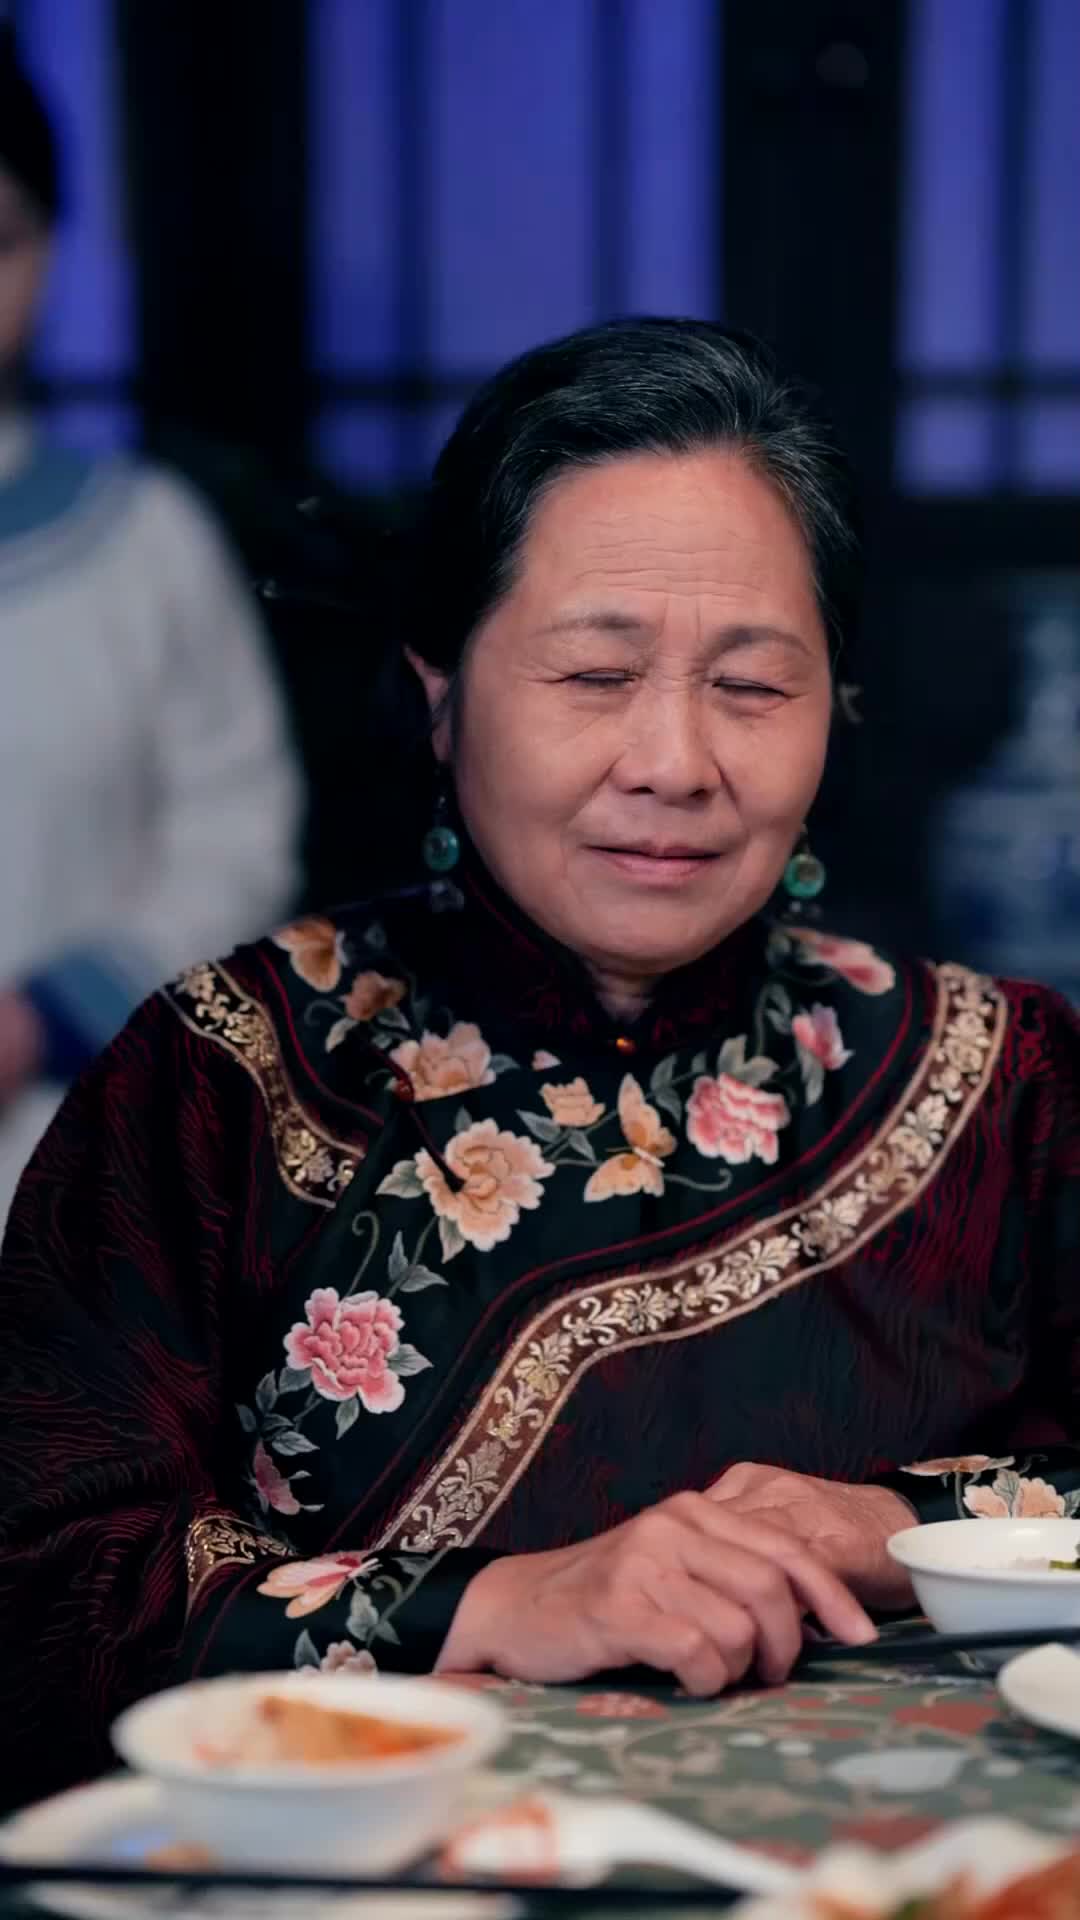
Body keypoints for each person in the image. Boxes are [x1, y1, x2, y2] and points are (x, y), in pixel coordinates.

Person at [3, 316, 1079, 1810]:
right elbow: (42, 1590)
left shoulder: (1004, 1083)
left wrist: (893, 1533)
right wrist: (504, 1605)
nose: (675, 765)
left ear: (835, 709)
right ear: (440, 692)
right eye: (594, 674)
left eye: (753, 687)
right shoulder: (218, 1082)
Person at [0, 27, 300, 1219]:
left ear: (51, 252)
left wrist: (41, 1019)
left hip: (79, 1166)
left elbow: (239, 841)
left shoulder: (143, 543)